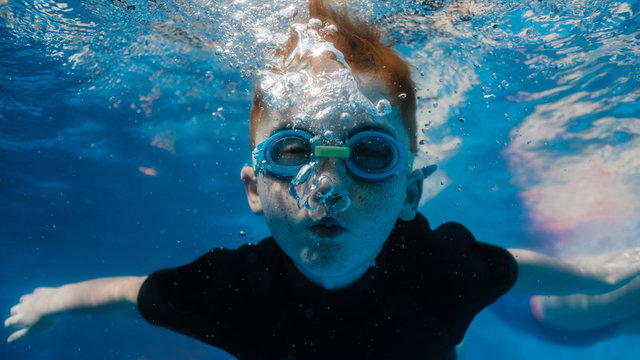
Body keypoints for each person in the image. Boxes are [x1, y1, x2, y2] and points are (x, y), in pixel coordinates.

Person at [5, 1, 640, 359]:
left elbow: (513, 266)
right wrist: (54, 301)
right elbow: (127, 291)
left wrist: (599, 275)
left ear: (410, 195)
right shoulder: (230, 292)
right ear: (254, 189)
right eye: (292, 151)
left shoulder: (439, 269)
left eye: (369, 155)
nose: (327, 188)